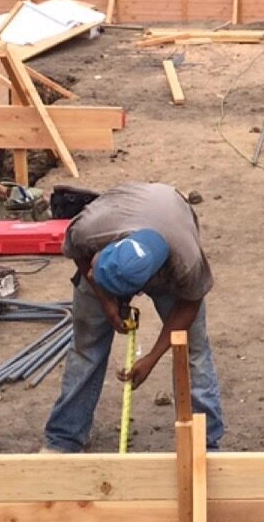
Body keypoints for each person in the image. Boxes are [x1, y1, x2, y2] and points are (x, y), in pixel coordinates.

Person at [43, 182, 224, 452]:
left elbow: (189, 305)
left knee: (193, 351)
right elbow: (80, 254)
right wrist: (105, 301)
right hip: (121, 220)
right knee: (87, 344)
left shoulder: (186, 262)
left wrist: (151, 358)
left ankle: (204, 442)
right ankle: (65, 437)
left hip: (168, 234)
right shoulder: (90, 230)